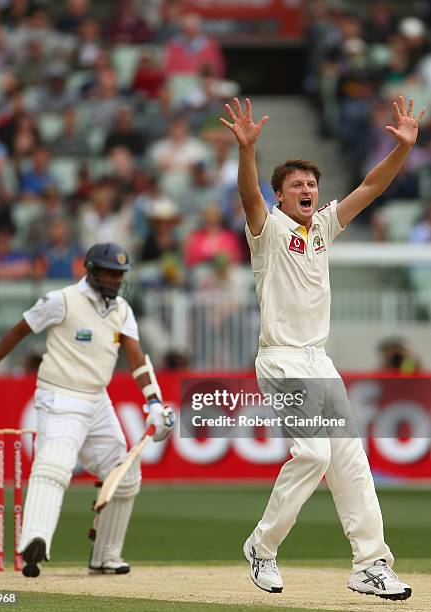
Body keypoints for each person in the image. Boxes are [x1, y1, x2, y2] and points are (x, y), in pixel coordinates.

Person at [220, 95, 425, 601]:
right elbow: (249, 198)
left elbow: (372, 187)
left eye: (312, 184)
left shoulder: (324, 228)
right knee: (311, 453)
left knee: (351, 463)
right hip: (281, 358)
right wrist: (248, 151)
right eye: (297, 185)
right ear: (281, 196)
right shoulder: (268, 231)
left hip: (319, 361)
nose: (308, 189)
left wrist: (401, 148)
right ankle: (261, 548)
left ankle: (371, 564)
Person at [0, 242, 175, 577]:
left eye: (120, 275)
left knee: (124, 476)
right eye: (110, 273)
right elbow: (19, 330)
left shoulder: (122, 311)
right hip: (60, 396)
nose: (116, 280)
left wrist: (154, 401)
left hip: (97, 400)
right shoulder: (63, 300)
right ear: (91, 270)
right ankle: (34, 542)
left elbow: (137, 359)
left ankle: (105, 557)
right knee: (54, 464)